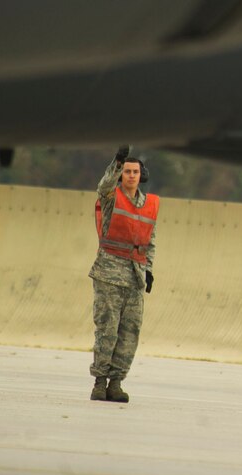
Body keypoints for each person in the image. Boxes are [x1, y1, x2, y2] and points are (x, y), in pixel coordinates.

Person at [88, 146, 158, 403]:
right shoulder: (111, 196)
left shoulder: (149, 205)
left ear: (141, 175)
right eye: (127, 172)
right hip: (109, 274)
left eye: (135, 172)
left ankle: (116, 383)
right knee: (107, 330)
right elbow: (103, 186)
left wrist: (148, 270)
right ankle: (99, 382)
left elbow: (150, 240)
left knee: (129, 333)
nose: (131, 176)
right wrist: (116, 163)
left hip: (134, 277)